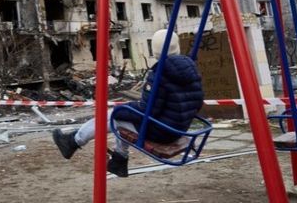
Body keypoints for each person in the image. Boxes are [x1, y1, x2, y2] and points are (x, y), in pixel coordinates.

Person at [52, 30, 204, 177]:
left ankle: (73, 142)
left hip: (161, 132)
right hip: (178, 129)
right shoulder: (191, 70)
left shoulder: (160, 74)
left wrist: (123, 108)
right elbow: (197, 102)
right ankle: (119, 160)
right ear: (177, 47)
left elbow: (147, 110)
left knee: (114, 116)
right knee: (124, 118)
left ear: (155, 50)